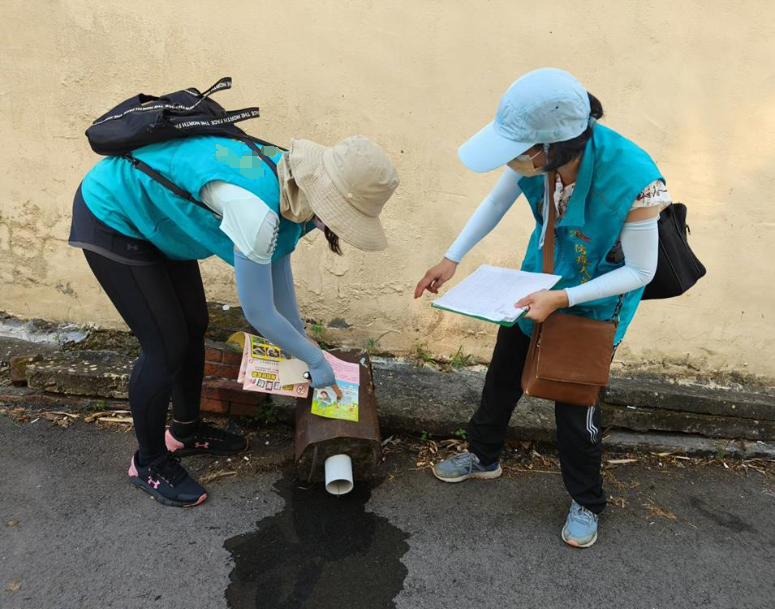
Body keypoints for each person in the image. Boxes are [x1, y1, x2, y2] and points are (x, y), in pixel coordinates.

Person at [70, 133, 399, 507]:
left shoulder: (292, 184)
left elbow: (278, 273)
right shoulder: (255, 210)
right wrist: (313, 359)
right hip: (114, 212)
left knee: (193, 324)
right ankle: (149, 462)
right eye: (346, 218)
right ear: (329, 198)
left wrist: (302, 340)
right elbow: (259, 312)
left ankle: (185, 433)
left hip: (160, 218)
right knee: (165, 345)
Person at [415, 68, 671, 548]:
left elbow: (641, 271)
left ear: (553, 146)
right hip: (537, 285)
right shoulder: (536, 160)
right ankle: (483, 457)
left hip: (592, 304)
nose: (512, 160)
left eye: (518, 150)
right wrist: (451, 258)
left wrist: (563, 298)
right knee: (503, 375)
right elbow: (495, 204)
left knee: (575, 409)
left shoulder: (634, 177)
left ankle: (586, 500)